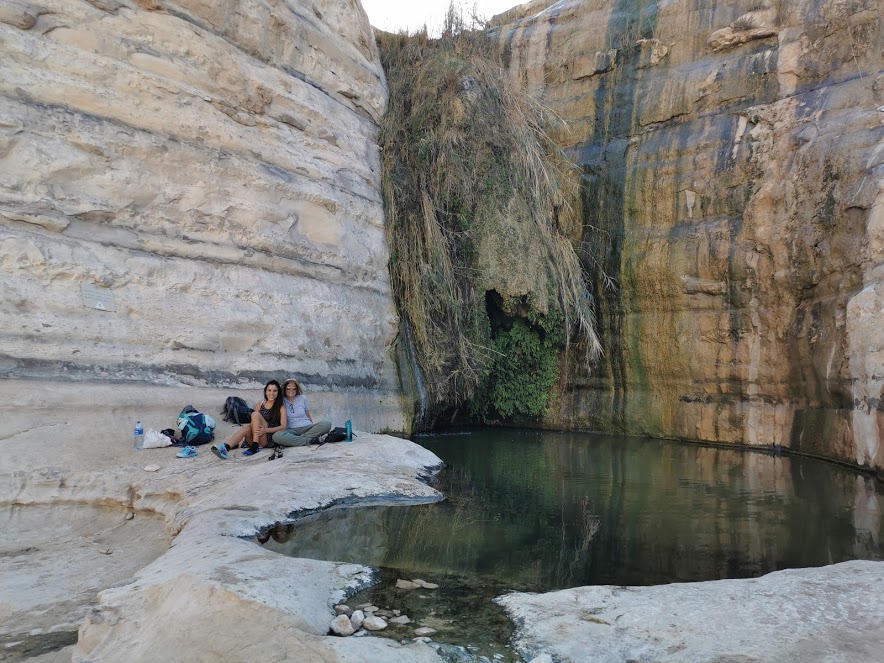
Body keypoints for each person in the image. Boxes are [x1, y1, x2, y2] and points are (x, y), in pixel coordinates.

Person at [211, 380, 286, 459]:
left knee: (255, 414)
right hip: (255, 436)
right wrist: (250, 428)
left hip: (268, 438)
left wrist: (265, 430)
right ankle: (226, 448)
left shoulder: (281, 407)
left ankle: (255, 446)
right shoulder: (259, 404)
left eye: (274, 391)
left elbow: (283, 427)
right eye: (269, 390)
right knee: (245, 429)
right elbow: (254, 422)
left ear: (278, 392)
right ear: (265, 391)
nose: (271, 393)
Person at [273, 378, 331, 447]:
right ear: (284, 389)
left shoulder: (303, 398)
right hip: (291, 430)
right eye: (288, 388)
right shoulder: (281, 401)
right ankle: (310, 440)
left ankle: (298, 440)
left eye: (294, 388)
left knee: (327, 424)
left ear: (297, 389)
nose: (291, 390)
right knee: (276, 436)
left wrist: (313, 426)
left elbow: (308, 415)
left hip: (307, 427)